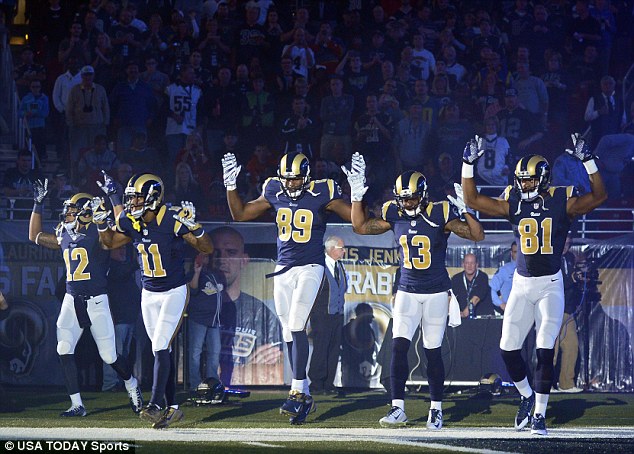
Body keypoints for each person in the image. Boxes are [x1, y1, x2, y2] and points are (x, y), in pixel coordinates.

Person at [461, 133, 607, 435]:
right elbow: (472, 199)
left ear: (541, 179)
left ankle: (539, 414)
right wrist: (467, 166)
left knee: (543, 348)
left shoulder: (560, 200)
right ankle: (527, 396)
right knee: (508, 349)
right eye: (521, 180)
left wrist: (589, 162)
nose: (523, 185)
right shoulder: (513, 201)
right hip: (523, 284)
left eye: (528, 180)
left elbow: (599, 197)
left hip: (550, 285)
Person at [345, 153, 484, 430]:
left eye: (410, 198)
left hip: (435, 292)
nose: (406, 203)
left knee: (432, 350)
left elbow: (477, 235)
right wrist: (356, 197)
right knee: (398, 348)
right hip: (407, 290)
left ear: (422, 195)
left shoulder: (439, 212)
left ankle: (435, 409)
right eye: (402, 198)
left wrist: (467, 210)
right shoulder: (393, 212)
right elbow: (359, 226)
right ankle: (398, 408)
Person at [221, 151, 351, 425]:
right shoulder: (272, 189)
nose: (291, 185)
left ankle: (297, 389)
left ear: (306, 177)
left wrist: (359, 195)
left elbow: (356, 219)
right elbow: (240, 213)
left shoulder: (322, 191)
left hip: (310, 267)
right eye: (287, 179)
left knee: (295, 325)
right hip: (283, 268)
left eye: (295, 180)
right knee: (287, 330)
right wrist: (230, 185)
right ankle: (302, 393)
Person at [95, 172, 213, 429]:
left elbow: (206, 248)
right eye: (130, 199)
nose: (132, 204)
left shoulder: (170, 218)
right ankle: (173, 409)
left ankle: (156, 403)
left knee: (160, 346)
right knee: (162, 350)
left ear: (152, 198)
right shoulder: (130, 219)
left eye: (137, 199)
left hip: (173, 291)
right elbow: (110, 242)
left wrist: (196, 227)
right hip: (149, 293)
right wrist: (102, 224)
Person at [28, 182, 143, 417]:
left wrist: (113, 198)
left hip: (97, 300)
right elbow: (35, 236)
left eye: (72, 210)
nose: (67, 214)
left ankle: (131, 384)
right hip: (72, 299)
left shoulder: (98, 232)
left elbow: (125, 233)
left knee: (109, 355)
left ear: (84, 212)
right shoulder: (63, 232)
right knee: (63, 348)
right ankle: (77, 404)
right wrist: (37, 204)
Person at [209, 226, 283, 386]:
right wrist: (248, 369)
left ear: (244, 260)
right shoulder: (196, 309)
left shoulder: (262, 312)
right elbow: (183, 369)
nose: (222, 259)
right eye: (215, 252)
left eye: (231, 252)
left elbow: (275, 373)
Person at [308, 236, 347, 395]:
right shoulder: (319, 266)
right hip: (321, 314)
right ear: (331, 249)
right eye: (341, 248)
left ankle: (328, 383)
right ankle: (316, 383)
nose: (344, 251)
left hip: (337, 315)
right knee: (321, 348)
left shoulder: (339, 266)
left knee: (333, 350)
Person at [102, 244, 141, 392]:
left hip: (128, 317)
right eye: (118, 249)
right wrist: (137, 262)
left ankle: (118, 381)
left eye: (124, 249)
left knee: (122, 353)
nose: (122, 251)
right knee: (113, 352)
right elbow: (120, 274)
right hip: (116, 318)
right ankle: (110, 383)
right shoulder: (110, 267)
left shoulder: (123, 267)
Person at [186, 252, 223, 392]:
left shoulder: (215, 274)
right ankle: (195, 384)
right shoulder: (194, 273)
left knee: (214, 351)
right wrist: (196, 272)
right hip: (198, 318)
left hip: (214, 320)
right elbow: (193, 289)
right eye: (202, 256)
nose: (205, 259)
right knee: (195, 352)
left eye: (207, 256)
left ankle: (212, 382)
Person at [553, 234, 583, 393]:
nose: (566, 246)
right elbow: (555, 281)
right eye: (564, 242)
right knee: (552, 349)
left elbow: (574, 282)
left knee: (572, 346)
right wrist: (573, 279)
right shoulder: (551, 256)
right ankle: (548, 385)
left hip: (568, 311)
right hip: (553, 310)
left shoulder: (571, 257)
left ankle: (566, 383)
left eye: (569, 243)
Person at [341, 303, 377, 389]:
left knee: (357, 388)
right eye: (369, 315)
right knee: (354, 388)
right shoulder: (362, 329)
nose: (371, 319)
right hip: (353, 364)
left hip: (357, 363)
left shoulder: (366, 329)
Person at [451, 253, 494, 318]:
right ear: (463, 264)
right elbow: (450, 297)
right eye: (467, 263)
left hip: (481, 318)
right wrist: (454, 312)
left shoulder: (483, 277)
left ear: (477, 265)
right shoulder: (456, 278)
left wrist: (465, 313)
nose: (469, 266)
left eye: (472, 263)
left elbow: (476, 298)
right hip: (461, 318)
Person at [490, 242, 518, 313]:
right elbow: (491, 289)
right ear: (511, 253)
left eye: (520, 252)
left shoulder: (530, 270)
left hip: (528, 311)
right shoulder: (504, 270)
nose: (518, 255)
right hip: (510, 311)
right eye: (515, 252)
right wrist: (501, 305)